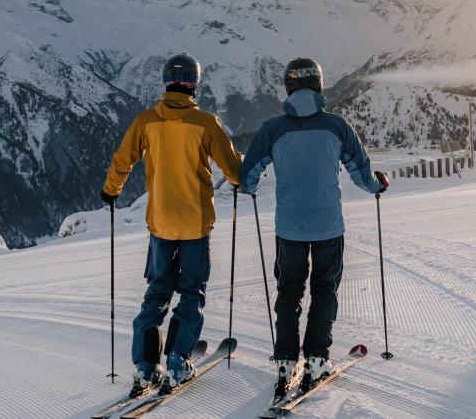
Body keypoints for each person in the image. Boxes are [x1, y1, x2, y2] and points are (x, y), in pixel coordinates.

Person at [240, 57, 389, 396]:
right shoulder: (337, 126)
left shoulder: (273, 129)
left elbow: (248, 176)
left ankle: (285, 362)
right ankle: (317, 359)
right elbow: (362, 173)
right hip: (328, 227)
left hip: (289, 228)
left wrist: (246, 187)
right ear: (319, 86)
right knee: (325, 291)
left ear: (289, 87)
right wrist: (378, 185)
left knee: (289, 292)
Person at [100, 52, 242, 394]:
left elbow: (123, 159)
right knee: (192, 291)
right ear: (195, 84)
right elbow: (233, 171)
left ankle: (145, 364)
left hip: (161, 225)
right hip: (195, 225)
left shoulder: (147, 121)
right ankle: (178, 359)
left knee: (158, 291)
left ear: (166, 81)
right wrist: (240, 176)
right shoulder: (206, 123)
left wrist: (111, 191)